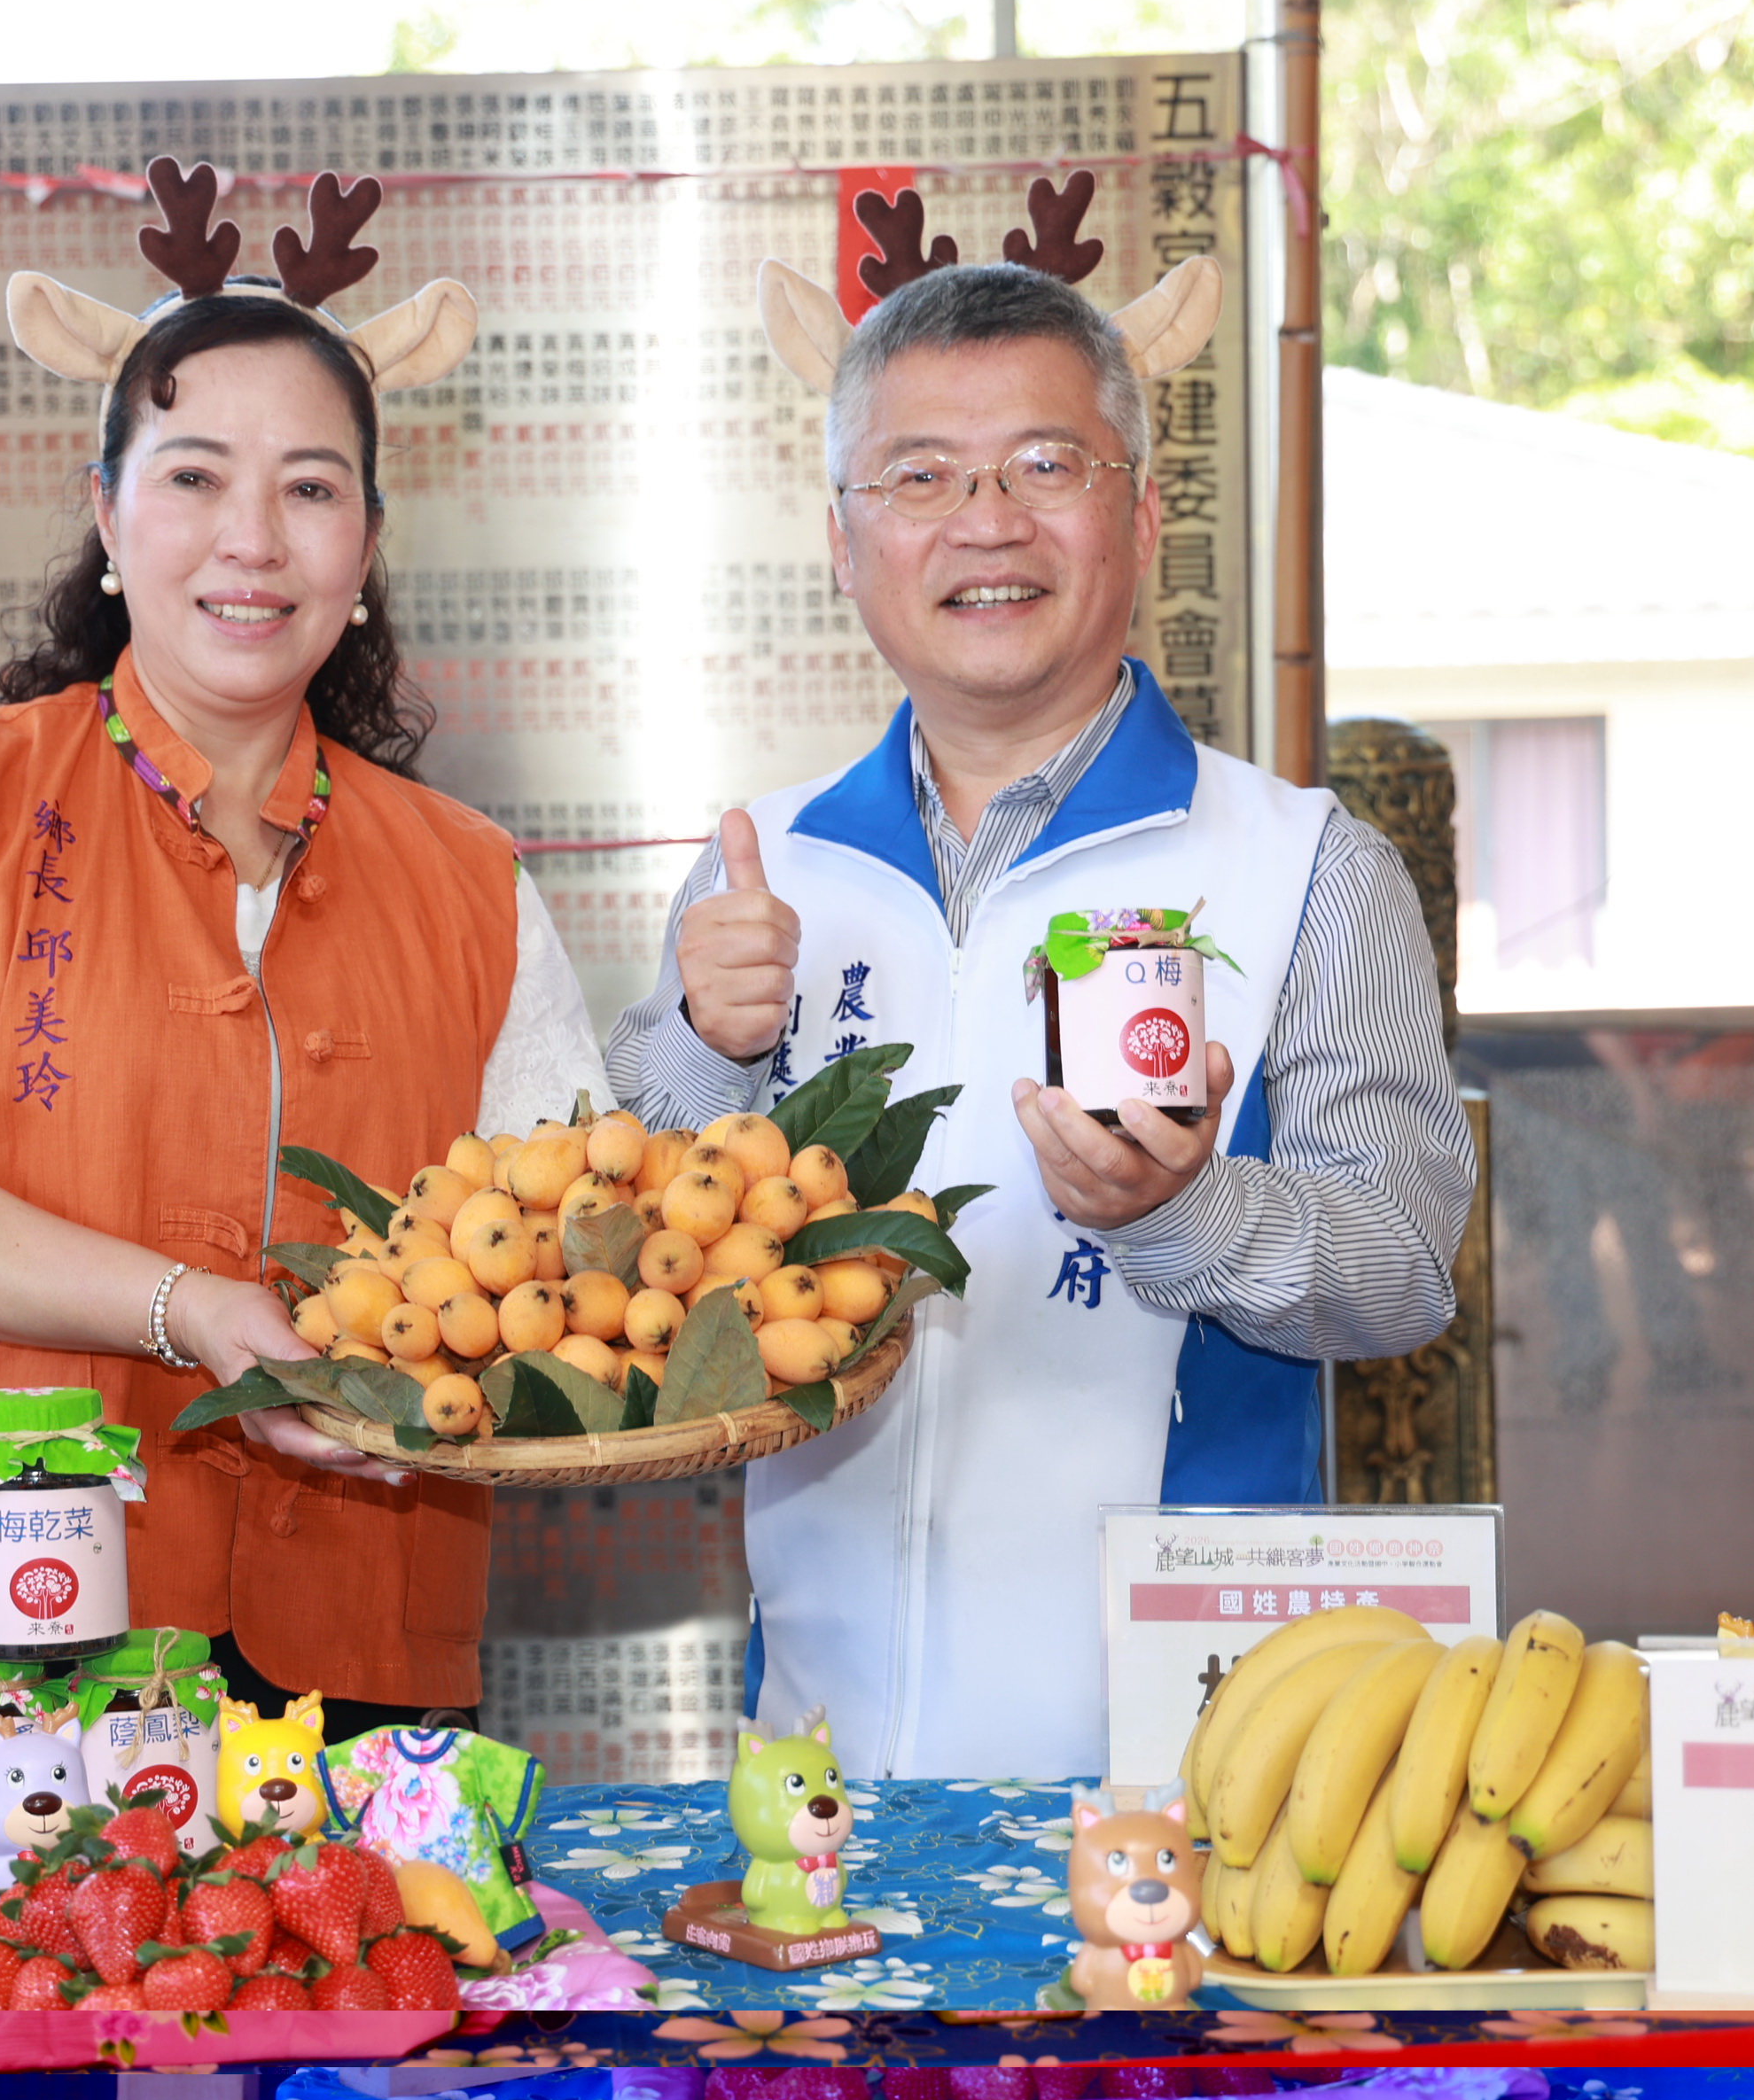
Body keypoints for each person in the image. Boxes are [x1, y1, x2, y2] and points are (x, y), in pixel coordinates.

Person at [606, 183, 1475, 1778]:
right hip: (816, 1759)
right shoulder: (763, 870)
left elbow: (1407, 1270)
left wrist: (1181, 1215)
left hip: (1194, 1774)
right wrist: (702, 1052)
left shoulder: (1302, 864)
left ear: (1140, 517)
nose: (986, 523)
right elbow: (632, 1286)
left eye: (1045, 468)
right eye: (920, 477)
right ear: (845, 542)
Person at [0, 165, 608, 1738]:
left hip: (362, 1672)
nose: (251, 541)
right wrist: (193, 1310)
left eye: (312, 488)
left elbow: (564, 1244)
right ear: (108, 515)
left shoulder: (473, 879)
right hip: (14, 1650)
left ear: (365, 550)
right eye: (196, 476)